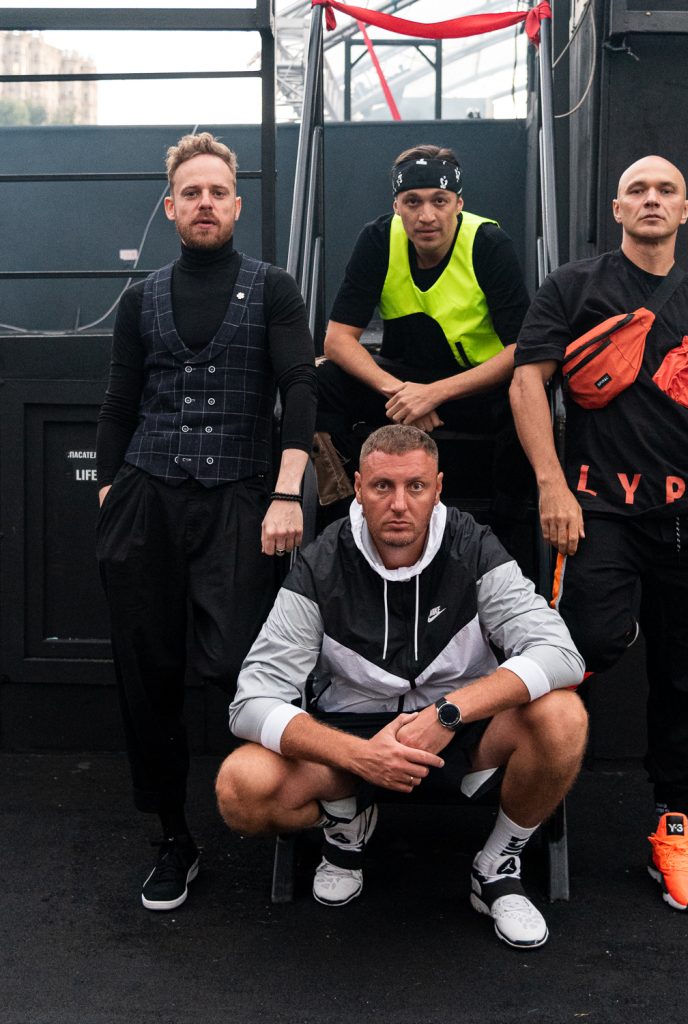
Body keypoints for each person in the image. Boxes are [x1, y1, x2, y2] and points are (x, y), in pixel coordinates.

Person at [510, 155, 688, 912]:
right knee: (583, 643)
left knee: (685, 675)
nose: (651, 199)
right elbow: (527, 380)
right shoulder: (574, 287)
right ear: (617, 209)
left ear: (684, 210)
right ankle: (527, 782)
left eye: (665, 191)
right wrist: (552, 484)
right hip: (602, 512)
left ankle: (672, 825)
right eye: (637, 190)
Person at [216, 425, 587, 949]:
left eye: (415, 487)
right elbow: (251, 702)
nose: (398, 504)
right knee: (240, 788)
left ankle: (497, 866)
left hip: (461, 733)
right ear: (358, 487)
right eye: (382, 486)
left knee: (563, 715)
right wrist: (360, 756)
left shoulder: (473, 546)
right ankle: (345, 827)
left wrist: (449, 713)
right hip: (351, 742)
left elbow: (562, 654)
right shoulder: (322, 563)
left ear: (438, 489)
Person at [95, 132, 317, 911]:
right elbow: (119, 401)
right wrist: (111, 492)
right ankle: (172, 838)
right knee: (146, 673)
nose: (204, 203)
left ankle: (290, 805)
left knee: (240, 666)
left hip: (238, 499)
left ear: (236, 204)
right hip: (146, 499)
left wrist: (286, 493)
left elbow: (299, 386)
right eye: (190, 192)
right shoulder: (142, 297)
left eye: (217, 192)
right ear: (171, 206)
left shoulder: (273, 287)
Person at [315, 143, 531, 536]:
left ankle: (509, 533)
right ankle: (342, 523)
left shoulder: (488, 243)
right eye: (412, 201)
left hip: (476, 390)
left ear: (458, 204)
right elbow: (337, 340)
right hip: (402, 388)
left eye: (439, 200)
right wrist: (402, 393)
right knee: (319, 379)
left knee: (527, 392)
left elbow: (521, 349)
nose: (426, 215)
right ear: (397, 206)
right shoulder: (378, 239)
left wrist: (434, 394)